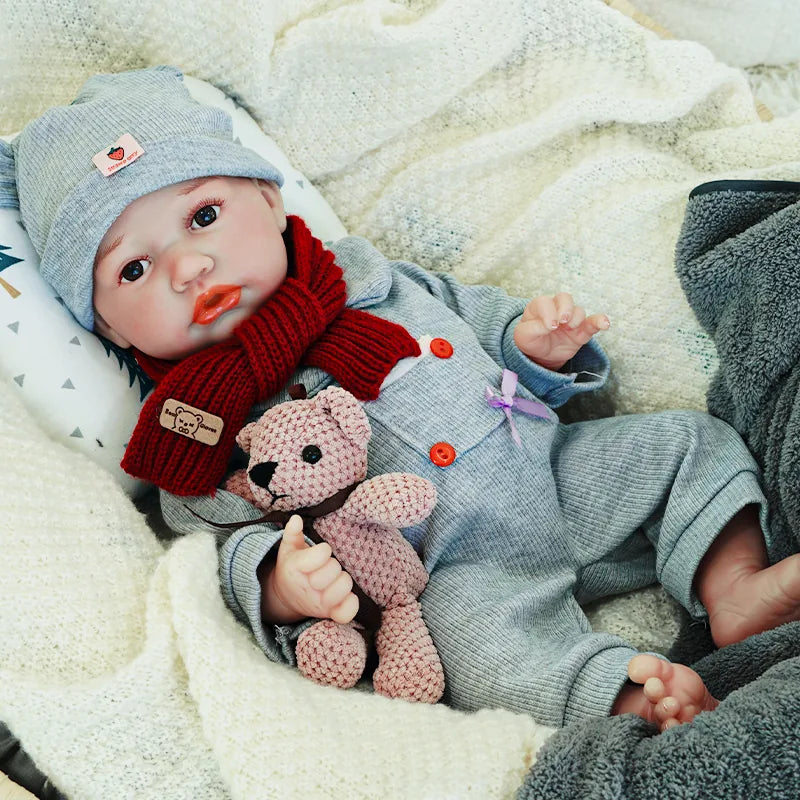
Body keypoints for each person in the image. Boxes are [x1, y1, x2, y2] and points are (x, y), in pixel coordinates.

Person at [5, 66, 800, 733]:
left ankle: (730, 589)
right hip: (449, 573)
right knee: (484, 660)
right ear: (105, 325)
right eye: (133, 270)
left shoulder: (370, 282)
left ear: (274, 205)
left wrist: (532, 349)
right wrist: (279, 585)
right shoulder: (193, 427)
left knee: (685, 445)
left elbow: (480, 327)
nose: (188, 269)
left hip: (554, 472)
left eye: (203, 216)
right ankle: (630, 693)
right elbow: (211, 543)